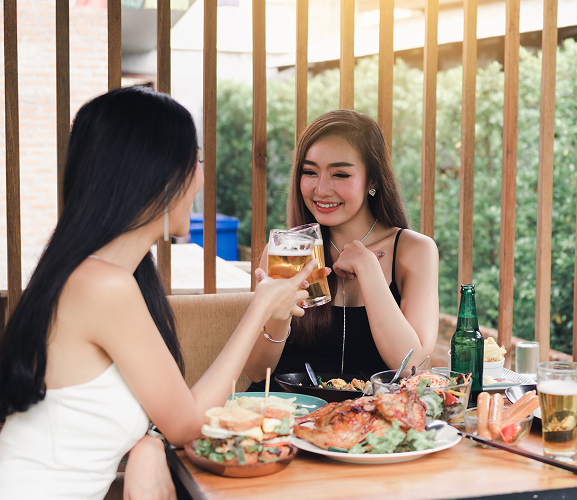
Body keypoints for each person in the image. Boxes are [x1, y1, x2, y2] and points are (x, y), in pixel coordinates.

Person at [0, 87, 314, 499]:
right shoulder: (103, 286)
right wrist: (260, 307)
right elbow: (188, 424)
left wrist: (148, 444)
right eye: (196, 160)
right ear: (155, 172)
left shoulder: (99, 272)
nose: (201, 177)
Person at [244, 109, 439, 388]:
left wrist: (369, 269)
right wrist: (279, 313)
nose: (321, 189)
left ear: (373, 180)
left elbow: (411, 367)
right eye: (310, 172)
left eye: (340, 174)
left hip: (370, 419)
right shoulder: (287, 251)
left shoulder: (414, 250)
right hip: (285, 412)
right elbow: (255, 372)